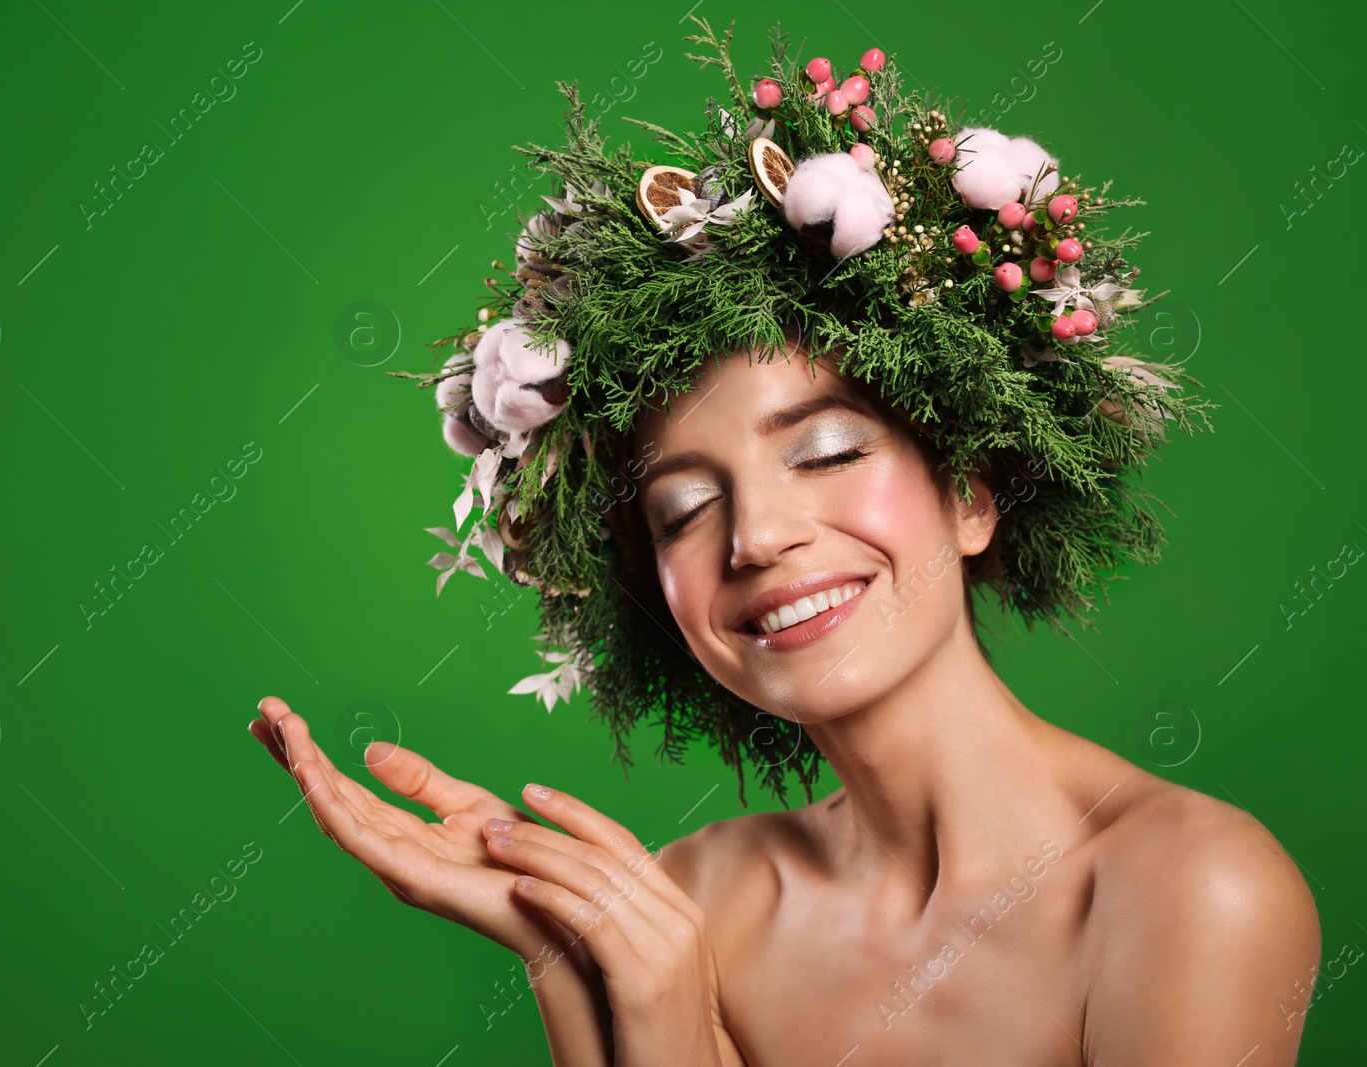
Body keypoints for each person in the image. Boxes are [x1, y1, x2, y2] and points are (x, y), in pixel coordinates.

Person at [251, 18, 1321, 1064]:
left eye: (823, 452)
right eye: (681, 510)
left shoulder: (1191, 889)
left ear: (972, 489)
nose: (756, 536)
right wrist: (570, 956)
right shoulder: (686, 910)